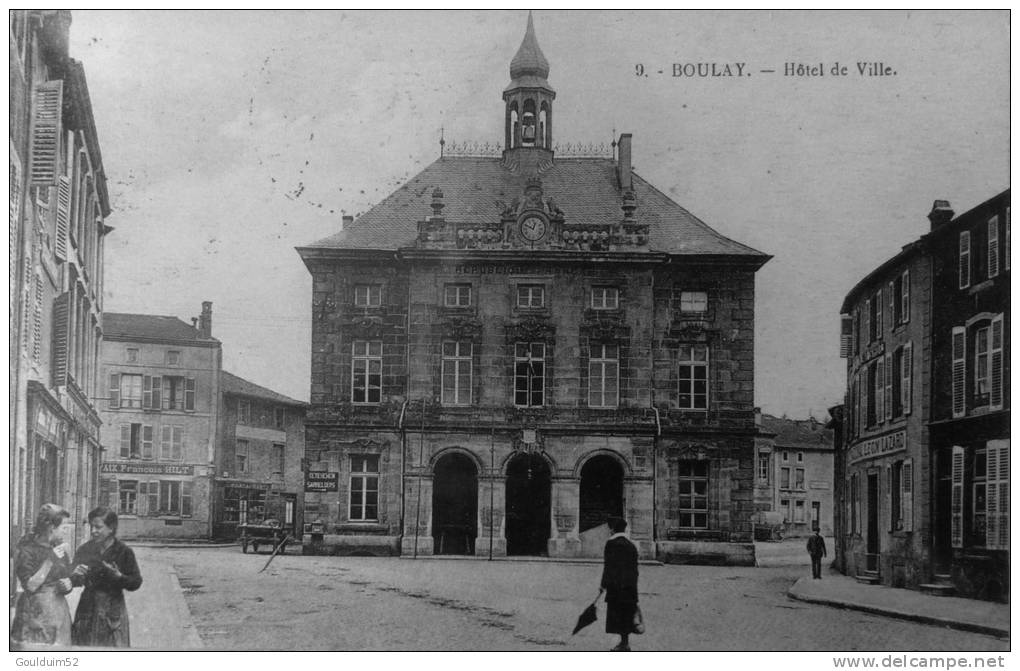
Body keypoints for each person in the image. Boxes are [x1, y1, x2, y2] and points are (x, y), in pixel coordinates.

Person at [70, 507, 143, 647]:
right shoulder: (85, 549)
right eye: (91, 526)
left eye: (98, 527)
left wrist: (119, 577)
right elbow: (73, 580)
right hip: (88, 608)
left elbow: (136, 582)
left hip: (113, 610)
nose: (93, 531)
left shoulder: (123, 551)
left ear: (111, 528)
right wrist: (75, 574)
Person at [10, 504, 74, 649]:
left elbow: (66, 577)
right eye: (64, 527)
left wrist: (68, 584)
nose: (66, 531)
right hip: (34, 614)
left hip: (59, 612)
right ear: (52, 527)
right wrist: (50, 560)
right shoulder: (27, 548)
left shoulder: (59, 546)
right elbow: (30, 586)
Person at [599, 516, 639, 652]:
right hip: (630, 588)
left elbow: (608, 567)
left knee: (617, 615)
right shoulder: (631, 545)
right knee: (626, 615)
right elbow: (635, 570)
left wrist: (603, 584)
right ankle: (625, 643)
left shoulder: (611, 544)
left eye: (610, 528)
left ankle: (623, 645)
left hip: (616, 588)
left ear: (613, 529)